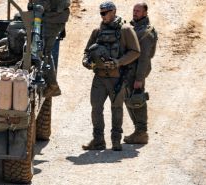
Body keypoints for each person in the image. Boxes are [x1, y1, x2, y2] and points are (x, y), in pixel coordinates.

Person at [81, 2, 140, 151]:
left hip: (117, 78)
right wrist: (86, 62)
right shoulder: (97, 31)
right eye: (101, 13)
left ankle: (116, 140)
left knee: (117, 108)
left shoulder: (126, 30)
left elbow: (135, 51)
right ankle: (98, 140)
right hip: (99, 78)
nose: (103, 15)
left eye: (105, 12)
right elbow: (87, 52)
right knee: (96, 109)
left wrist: (118, 62)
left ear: (113, 12)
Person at [124, 2, 157, 145]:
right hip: (130, 70)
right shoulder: (136, 28)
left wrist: (139, 78)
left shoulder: (146, 32)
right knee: (130, 99)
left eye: (138, 11)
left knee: (137, 99)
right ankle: (138, 131)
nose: (135, 13)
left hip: (137, 71)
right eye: (134, 10)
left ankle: (141, 132)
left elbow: (144, 58)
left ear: (145, 13)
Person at [34, 0, 72, 97]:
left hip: (52, 18)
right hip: (52, 17)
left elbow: (43, 5)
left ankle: (53, 86)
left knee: (44, 51)